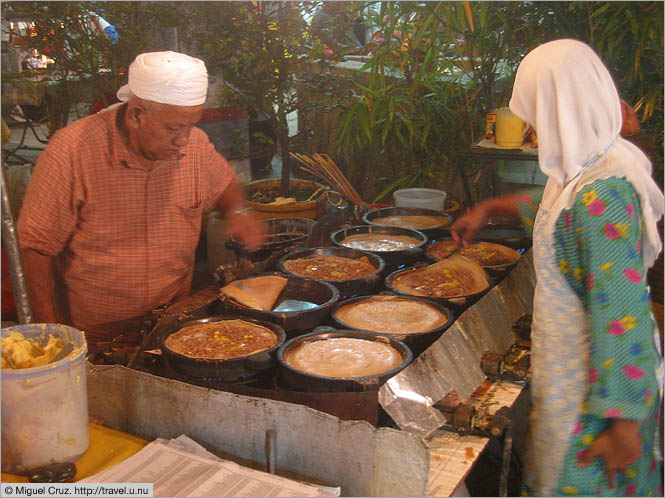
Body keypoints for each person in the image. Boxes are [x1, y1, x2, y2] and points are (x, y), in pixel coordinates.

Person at [450, 39, 663, 496]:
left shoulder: (601, 199)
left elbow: (622, 315)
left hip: (595, 397)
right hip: (571, 374)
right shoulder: (591, 165)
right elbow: (554, 215)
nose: (530, 125)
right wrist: (491, 208)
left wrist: (623, 424)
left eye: (533, 114)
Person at [17, 51, 265, 350]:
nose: (184, 140)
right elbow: (35, 247)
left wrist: (237, 210)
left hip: (173, 323)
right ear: (136, 114)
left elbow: (225, 183)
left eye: (191, 125)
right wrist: (53, 335)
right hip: (96, 335)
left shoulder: (194, 145)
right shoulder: (72, 152)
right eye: (173, 128)